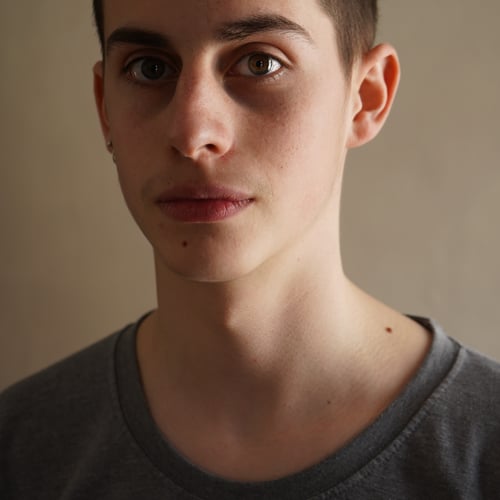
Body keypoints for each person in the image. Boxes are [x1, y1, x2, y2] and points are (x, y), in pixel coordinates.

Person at [1, 0, 499, 498]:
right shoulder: (20, 453)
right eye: (149, 68)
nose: (192, 134)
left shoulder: (484, 452)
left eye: (261, 63)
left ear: (366, 97)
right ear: (104, 106)